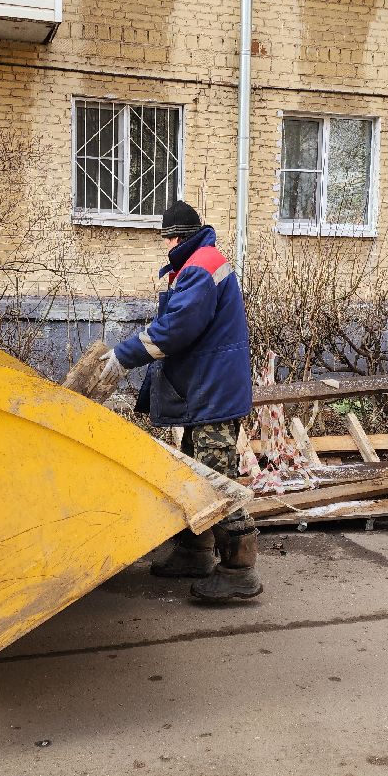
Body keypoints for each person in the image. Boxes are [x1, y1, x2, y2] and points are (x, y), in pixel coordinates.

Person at [103, 200, 260, 603]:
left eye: (170, 237)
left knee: (215, 478)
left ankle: (239, 570)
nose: (167, 243)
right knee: (195, 473)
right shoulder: (196, 264)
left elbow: (174, 331)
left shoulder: (199, 266)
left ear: (183, 237)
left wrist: (123, 356)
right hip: (206, 389)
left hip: (213, 392)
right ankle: (195, 551)